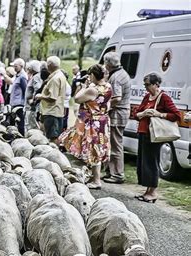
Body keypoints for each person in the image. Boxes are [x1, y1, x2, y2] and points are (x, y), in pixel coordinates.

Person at [59, 64, 112, 190]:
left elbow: (77, 99)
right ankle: (93, 176)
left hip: (92, 122)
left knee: (94, 149)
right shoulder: (108, 86)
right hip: (102, 120)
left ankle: (96, 180)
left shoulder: (92, 90)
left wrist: (85, 86)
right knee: (96, 148)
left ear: (93, 75)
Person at [133, 72, 181, 202]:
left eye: (148, 84)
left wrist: (159, 114)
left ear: (156, 84)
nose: (146, 87)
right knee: (143, 162)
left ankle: (153, 192)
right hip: (143, 132)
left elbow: (176, 115)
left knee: (151, 162)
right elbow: (136, 113)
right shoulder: (147, 97)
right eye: (145, 85)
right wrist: (144, 113)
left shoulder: (164, 97)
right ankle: (147, 190)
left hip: (154, 134)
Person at [103, 51, 131, 184]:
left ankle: (118, 174)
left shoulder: (116, 77)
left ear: (108, 64)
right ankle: (111, 171)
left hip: (117, 114)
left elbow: (117, 98)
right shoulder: (122, 73)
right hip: (121, 113)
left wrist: (105, 105)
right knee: (114, 143)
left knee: (115, 145)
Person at [36, 56, 67, 142]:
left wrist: (40, 96)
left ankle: (54, 154)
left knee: (52, 137)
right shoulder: (60, 75)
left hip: (52, 112)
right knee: (54, 136)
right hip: (57, 111)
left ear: (49, 65)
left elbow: (52, 97)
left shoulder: (55, 79)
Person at [25, 60, 42, 130]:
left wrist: (33, 100)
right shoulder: (35, 76)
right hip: (30, 107)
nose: (28, 69)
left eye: (29, 67)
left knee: (31, 126)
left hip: (31, 107)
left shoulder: (36, 77)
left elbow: (38, 88)